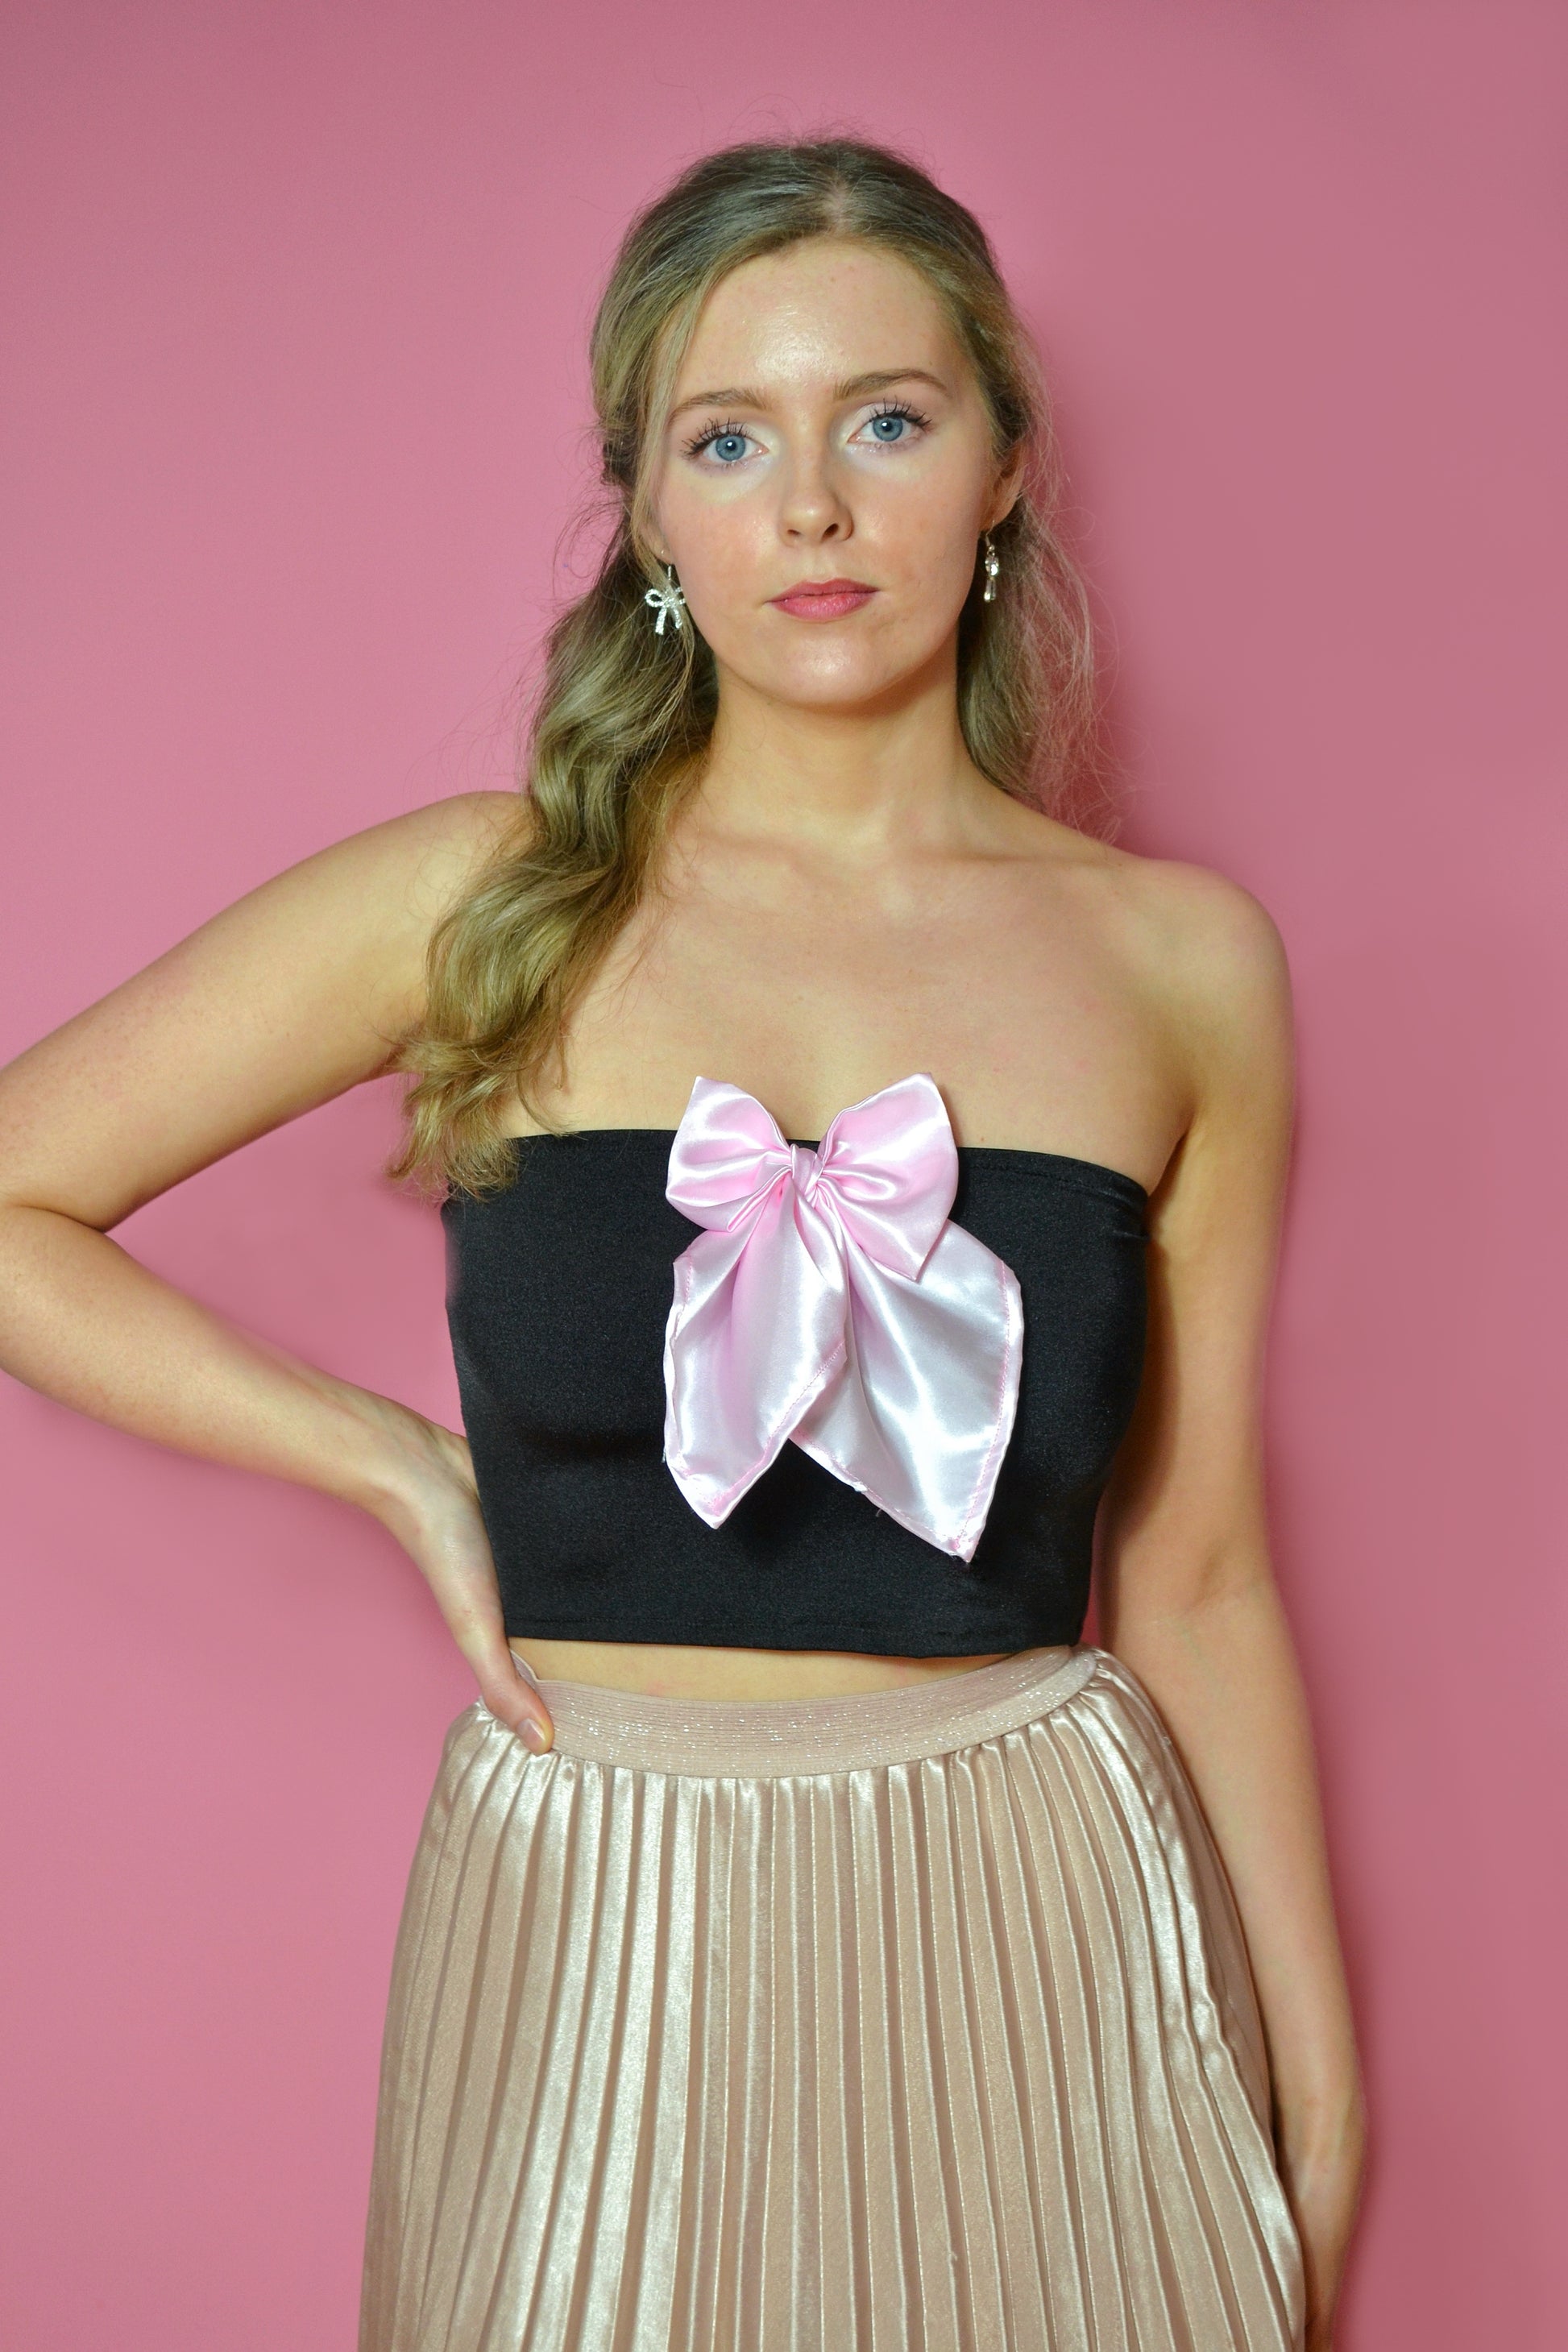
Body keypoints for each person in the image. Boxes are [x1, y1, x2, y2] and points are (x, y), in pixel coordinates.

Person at [0, 138, 1365, 2350]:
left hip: (1039, 1910)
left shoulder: (1180, 963)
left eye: (886, 423)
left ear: (1003, 467)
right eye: (728, 440)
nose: (809, 509)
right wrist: (389, 1462)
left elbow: (1195, 1563)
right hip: (596, 1906)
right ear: (645, 509)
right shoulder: (478, 900)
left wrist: (1318, 2087)